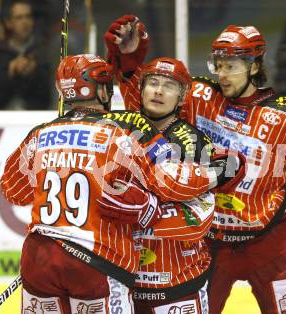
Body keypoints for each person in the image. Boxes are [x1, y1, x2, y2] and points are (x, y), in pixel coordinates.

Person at [104, 15, 286, 314]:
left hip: (271, 243)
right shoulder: (199, 96)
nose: (223, 74)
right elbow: (145, 105)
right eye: (218, 65)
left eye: (231, 66)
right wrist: (130, 59)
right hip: (208, 244)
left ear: (255, 66)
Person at [0, 53, 231, 313]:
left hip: (39, 259)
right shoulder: (122, 133)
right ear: (101, 90)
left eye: (168, 86)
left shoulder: (38, 134)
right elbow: (173, 182)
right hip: (97, 261)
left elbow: (14, 191)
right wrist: (217, 171)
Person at [102, 23, 245, 311]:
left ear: (181, 98)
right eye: (153, 83)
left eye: (169, 86)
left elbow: (201, 208)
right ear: (141, 90)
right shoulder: (119, 128)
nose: (158, 91)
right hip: (123, 279)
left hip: (178, 279)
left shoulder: (190, 142)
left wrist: (144, 209)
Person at [0, 0, 50, 110]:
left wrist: (35, 71)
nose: (24, 22)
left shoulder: (43, 50)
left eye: (28, 17)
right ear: (8, 23)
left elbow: (48, 98)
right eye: (19, 18)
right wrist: (10, 73)